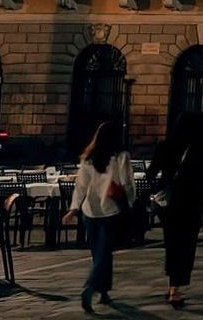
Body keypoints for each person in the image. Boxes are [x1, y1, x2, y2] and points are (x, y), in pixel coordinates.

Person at [148, 115, 203, 309]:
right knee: (187, 246)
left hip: (169, 204)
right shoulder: (202, 149)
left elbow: (150, 174)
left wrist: (159, 188)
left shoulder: (164, 146)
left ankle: (172, 287)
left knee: (171, 244)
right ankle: (176, 289)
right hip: (192, 202)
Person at [71, 122, 135, 313]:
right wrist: (131, 202)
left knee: (98, 253)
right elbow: (127, 182)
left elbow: (80, 186)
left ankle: (104, 292)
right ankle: (90, 286)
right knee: (104, 253)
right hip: (111, 210)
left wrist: (74, 208)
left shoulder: (88, 158)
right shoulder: (121, 156)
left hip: (90, 211)